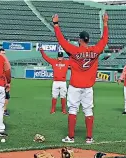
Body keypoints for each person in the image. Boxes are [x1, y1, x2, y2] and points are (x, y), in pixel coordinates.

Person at [52, 13, 109, 144]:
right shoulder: (95, 50)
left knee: (73, 109)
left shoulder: (74, 50)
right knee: (88, 110)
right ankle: (89, 138)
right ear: (88, 40)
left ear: (80, 40)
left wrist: (56, 25)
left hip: (75, 86)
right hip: (88, 87)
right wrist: (105, 23)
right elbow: (104, 40)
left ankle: (71, 137)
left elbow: (61, 40)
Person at [39, 48, 70, 114]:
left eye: (61, 57)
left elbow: (73, 60)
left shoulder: (67, 62)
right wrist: (42, 52)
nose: (60, 58)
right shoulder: (54, 61)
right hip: (55, 82)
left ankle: (63, 110)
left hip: (63, 82)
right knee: (54, 96)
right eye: (59, 57)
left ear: (63, 57)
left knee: (63, 96)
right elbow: (46, 58)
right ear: (57, 56)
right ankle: (53, 109)